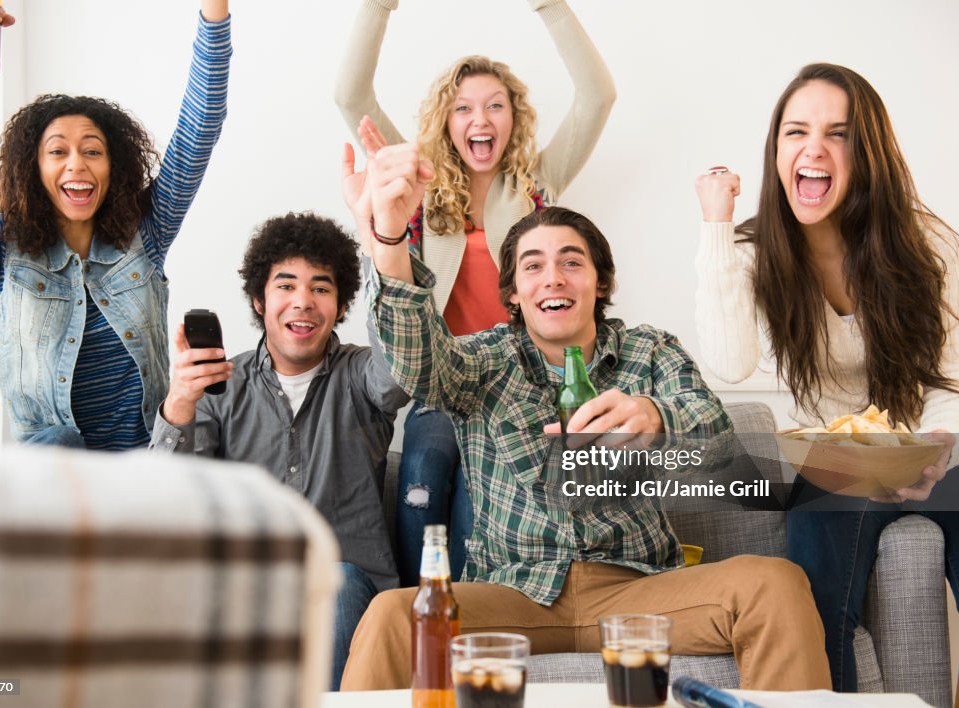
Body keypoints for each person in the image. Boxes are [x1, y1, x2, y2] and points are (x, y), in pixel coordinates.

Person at [340, 142, 833, 690]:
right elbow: (414, 362)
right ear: (514, 292)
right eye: (534, 266)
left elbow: (714, 438)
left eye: (571, 262)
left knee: (775, 582)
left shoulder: (650, 351)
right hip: (514, 594)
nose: (553, 278)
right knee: (389, 615)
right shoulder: (478, 360)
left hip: (638, 589)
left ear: (600, 284)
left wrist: (656, 417)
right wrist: (388, 236)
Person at [694, 62, 958, 693]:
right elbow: (729, 364)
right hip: (839, 460)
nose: (813, 149)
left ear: (865, 153)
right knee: (817, 599)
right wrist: (715, 228)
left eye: (837, 134)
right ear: (776, 150)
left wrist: (937, 449)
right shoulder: (753, 255)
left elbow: (950, 381)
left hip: (936, 449)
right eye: (796, 132)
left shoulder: (927, 245)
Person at [335, 0, 616, 586]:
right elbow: (350, 97)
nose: (479, 118)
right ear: (446, 120)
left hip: (515, 385)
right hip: (444, 379)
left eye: (494, 105)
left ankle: (471, 617)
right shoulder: (419, 176)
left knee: (472, 503)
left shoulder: (539, 181)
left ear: (513, 119)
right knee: (420, 478)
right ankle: (417, 611)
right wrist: (378, 7)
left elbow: (597, 96)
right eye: (463, 108)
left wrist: (550, 7)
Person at [0, 0, 231, 450]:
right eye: (58, 151)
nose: (77, 164)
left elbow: (201, 124)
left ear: (115, 168)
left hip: (145, 472)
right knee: (60, 443)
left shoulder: (145, 236)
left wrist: (215, 11)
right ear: (32, 170)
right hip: (52, 487)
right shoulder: (0, 250)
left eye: (92, 150)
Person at [149, 212, 410, 691]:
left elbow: (401, 372)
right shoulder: (221, 385)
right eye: (286, 286)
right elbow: (169, 495)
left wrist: (385, 246)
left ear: (342, 303)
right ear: (259, 300)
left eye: (321, 288)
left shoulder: (361, 374)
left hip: (351, 593)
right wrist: (181, 401)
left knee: (339, 581)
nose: (303, 303)